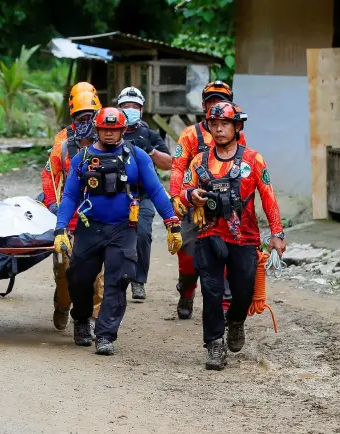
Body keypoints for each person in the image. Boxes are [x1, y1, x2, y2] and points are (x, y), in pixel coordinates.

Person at [55, 107, 182, 355]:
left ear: (123, 130)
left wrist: (171, 222)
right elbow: (70, 195)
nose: (110, 134)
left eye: (114, 130)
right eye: (105, 129)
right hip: (89, 227)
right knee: (78, 278)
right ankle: (81, 319)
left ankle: (105, 335)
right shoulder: (82, 158)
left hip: (123, 228)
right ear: (97, 129)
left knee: (118, 279)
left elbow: (156, 191)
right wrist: (60, 228)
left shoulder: (138, 156)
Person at [179, 102, 285, 370]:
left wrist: (277, 233)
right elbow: (184, 190)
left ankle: (236, 321)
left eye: (224, 124)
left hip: (245, 237)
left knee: (244, 292)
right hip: (209, 235)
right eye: (214, 124)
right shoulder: (199, 161)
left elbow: (269, 197)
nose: (218, 129)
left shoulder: (253, 160)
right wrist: (192, 196)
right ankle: (214, 344)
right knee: (212, 291)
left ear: (237, 127)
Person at [170, 80, 247, 319]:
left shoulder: (237, 136)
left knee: (225, 253)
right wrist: (177, 198)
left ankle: (223, 306)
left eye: (221, 101)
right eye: (212, 101)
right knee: (189, 256)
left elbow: (244, 168)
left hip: (224, 205)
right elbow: (177, 167)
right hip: (195, 204)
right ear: (204, 105)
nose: (216, 105)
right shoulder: (191, 135)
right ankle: (187, 290)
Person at [41, 90, 105, 332]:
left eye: (89, 116)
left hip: (99, 217)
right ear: (72, 117)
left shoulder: (108, 138)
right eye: (80, 117)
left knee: (98, 274)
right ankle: (62, 304)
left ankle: (95, 320)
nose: (85, 122)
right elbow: (49, 174)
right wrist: (52, 204)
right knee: (65, 270)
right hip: (70, 216)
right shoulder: (64, 142)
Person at [117, 86, 171, 302]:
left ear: (141, 109)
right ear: (118, 108)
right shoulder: (108, 131)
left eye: (135, 106)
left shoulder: (149, 134)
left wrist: (150, 150)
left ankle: (138, 281)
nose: (130, 109)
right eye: (126, 106)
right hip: (115, 194)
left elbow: (169, 164)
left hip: (143, 195)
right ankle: (115, 279)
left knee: (142, 234)